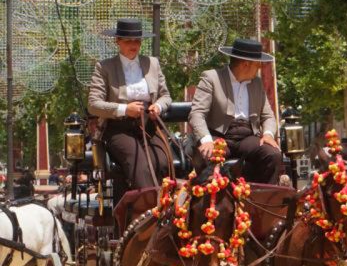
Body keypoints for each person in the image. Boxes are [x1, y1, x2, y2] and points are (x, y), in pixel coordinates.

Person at [88, 18, 172, 189]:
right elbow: (93, 104)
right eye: (128, 40)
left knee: (163, 162)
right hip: (119, 128)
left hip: (149, 126)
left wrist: (159, 106)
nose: (133, 44)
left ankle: (167, 207)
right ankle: (149, 209)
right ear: (117, 41)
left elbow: (165, 96)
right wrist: (125, 109)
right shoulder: (104, 67)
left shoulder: (152, 63)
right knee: (140, 166)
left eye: (137, 40)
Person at [189, 38, 281, 184]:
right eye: (258, 65)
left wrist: (268, 134)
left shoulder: (257, 83)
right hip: (218, 136)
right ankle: (213, 203)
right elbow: (197, 114)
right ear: (246, 64)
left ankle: (261, 200)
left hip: (247, 137)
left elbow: (268, 115)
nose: (259, 68)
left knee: (273, 154)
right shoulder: (211, 78)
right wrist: (206, 140)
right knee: (209, 154)